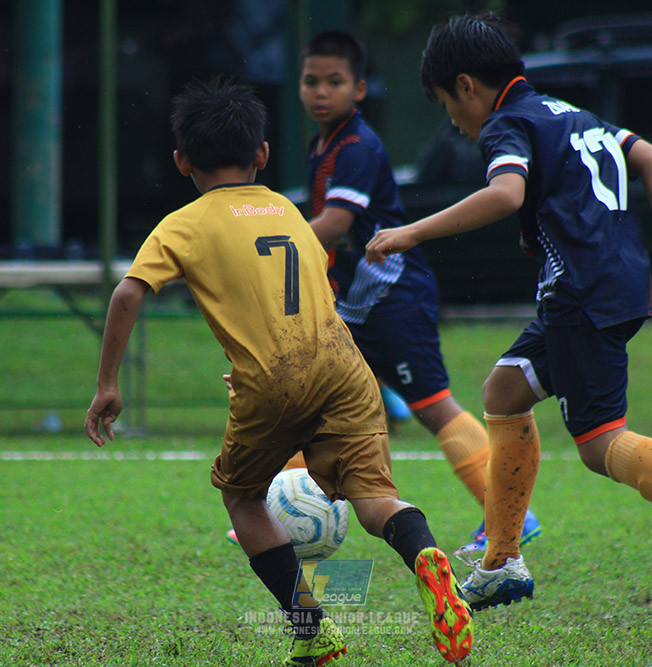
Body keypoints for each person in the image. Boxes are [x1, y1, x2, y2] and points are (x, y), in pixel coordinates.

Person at [366, 12, 652, 613]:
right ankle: (502, 563)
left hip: (581, 289)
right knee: (505, 389)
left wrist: (411, 232)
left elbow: (506, 193)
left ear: (466, 86)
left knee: (598, 443)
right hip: (611, 282)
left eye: (445, 104)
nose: (454, 122)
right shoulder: (568, 114)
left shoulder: (505, 124)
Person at [84, 77, 473, 665]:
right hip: (343, 365)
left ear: (181, 161)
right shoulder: (288, 208)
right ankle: (425, 556)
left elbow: (128, 292)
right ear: (262, 155)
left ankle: (313, 630)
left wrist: (108, 384)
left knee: (241, 497)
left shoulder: (183, 223)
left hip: (272, 378)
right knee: (373, 496)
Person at [298, 29, 540, 561]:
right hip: (355, 301)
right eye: (311, 80)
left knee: (432, 406)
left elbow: (336, 223)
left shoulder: (357, 146)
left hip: (389, 297)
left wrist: (270, 241)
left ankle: (513, 518)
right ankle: (287, 507)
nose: (320, 91)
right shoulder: (322, 144)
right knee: (307, 389)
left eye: (334, 82)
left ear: (359, 89)